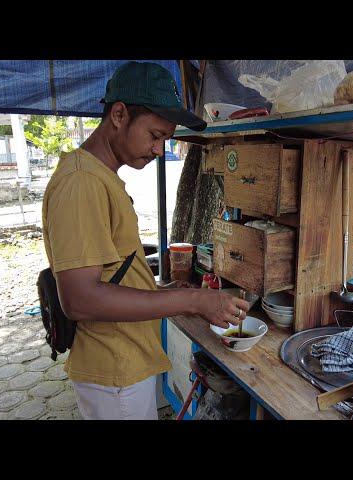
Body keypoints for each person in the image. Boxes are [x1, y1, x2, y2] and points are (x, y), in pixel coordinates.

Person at [42, 61, 250, 420]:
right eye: (154, 135)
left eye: (165, 140)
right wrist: (193, 300)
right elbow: (79, 299)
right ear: (119, 114)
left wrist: (172, 294)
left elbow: (111, 275)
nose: (158, 150)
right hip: (114, 373)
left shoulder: (100, 177)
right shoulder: (82, 183)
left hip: (124, 363)